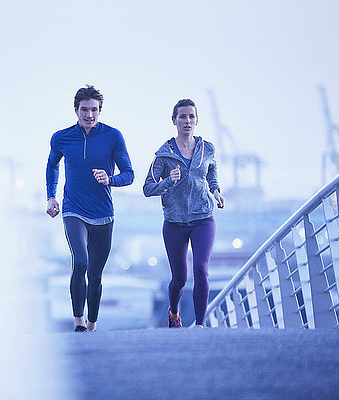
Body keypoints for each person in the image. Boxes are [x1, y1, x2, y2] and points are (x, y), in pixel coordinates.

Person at [46, 85, 134, 332]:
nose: (89, 115)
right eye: (84, 109)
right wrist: (51, 197)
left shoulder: (113, 136)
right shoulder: (62, 137)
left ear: (100, 111)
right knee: (81, 262)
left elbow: (129, 174)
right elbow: (52, 165)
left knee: (95, 275)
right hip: (73, 209)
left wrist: (110, 179)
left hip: (104, 214)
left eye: (94, 110)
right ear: (76, 110)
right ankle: (78, 321)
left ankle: (92, 322)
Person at [143, 99, 224, 328]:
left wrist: (215, 190)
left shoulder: (207, 148)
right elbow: (148, 187)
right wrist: (169, 181)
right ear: (174, 120)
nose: (187, 121)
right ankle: (174, 311)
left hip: (203, 218)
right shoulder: (164, 154)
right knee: (179, 278)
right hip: (175, 222)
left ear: (197, 120)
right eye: (182, 117)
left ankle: (200, 325)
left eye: (191, 116)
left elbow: (212, 170)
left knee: (201, 269)